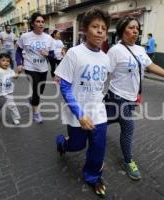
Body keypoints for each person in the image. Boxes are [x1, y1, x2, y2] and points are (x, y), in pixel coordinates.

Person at [104, 16, 164, 181]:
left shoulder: (140, 50)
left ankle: (83, 129)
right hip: (118, 96)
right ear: (122, 31)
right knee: (128, 128)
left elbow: (151, 66)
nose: (135, 31)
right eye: (131, 27)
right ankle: (129, 161)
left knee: (103, 120)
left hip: (131, 97)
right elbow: (104, 72)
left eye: (137, 28)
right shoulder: (115, 51)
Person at [55, 7, 110, 198]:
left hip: (98, 112)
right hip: (77, 112)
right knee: (77, 145)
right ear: (85, 30)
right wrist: (80, 114)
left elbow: (102, 83)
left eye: (103, 27)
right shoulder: (74, 53)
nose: (100, 31)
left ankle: (93, 176)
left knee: (98, 146)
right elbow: (65, 87)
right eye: (95, 26)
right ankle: (62, 143)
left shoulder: (105, 58)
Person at [15, 12, 54, 123]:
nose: (41, 24)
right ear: (32, 24)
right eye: (38, 21)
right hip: (30, 67)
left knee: (40, 91)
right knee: (37, 90)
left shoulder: (48, 38)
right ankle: (36, 113)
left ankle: (32, 99)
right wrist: (19, 63)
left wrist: (48, 54)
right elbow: (18, 51)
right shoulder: (25, 37)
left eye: (42, 21)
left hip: (43, 68)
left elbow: (52, 56)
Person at [0, 53, 21, 125]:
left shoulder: (10, 70)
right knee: (1, 104)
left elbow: (14, 76)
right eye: (3, 60)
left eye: (8, 61)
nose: (6, 62)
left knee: (12, 105)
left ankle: (15, 118)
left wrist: (18, 73)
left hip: (8, 91)